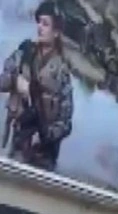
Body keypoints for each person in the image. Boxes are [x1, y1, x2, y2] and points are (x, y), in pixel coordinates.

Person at [0, 0, 73, 171]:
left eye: (45, 24)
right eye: (39, 22)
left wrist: (44, 136)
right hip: (19, 142)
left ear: (56, 32)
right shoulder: (24, 53)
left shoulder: (62, 72)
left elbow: (66, 122)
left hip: (43, 155)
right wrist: (15, 81)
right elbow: (2, 81)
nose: (39, 27)